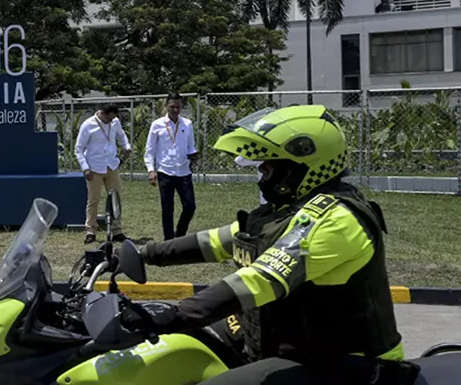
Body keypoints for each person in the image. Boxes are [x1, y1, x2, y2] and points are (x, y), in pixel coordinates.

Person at [124, 104, 419, 384]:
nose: (261, 178)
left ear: (302, 165)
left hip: (350, 364)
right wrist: (143, 253)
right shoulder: (288, 210)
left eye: (267, 169)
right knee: (176, 352)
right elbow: (219, 241)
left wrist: (174, 314)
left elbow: (260, 280)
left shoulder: (336, 219)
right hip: (294, 344)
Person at [143, 93, 199, 240]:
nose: (175, 110)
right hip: (165, 171)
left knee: (190, 206)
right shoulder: (157, 125)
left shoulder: (187, 124)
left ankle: (179, 235)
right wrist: (151, 170)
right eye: (172, 107)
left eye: (178, 107)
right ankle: (168, 240)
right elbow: (150, 150)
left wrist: (194, 155)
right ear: (166, 106)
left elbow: (190, 146)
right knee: (167, 209)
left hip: (184, 171)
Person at [74, 103, 131, 244]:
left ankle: (117, 231)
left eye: (113, 119)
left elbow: (121, 135)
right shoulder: (88, 125)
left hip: (111, 165)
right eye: (109, 118)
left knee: (116, 199)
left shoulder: (115, 122)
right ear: (102, 113)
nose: (111, 121)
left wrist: (126, 147)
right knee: (94, 200)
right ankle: (90, 231)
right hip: (94, 168)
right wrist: (85, 168)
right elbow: (78, 149)